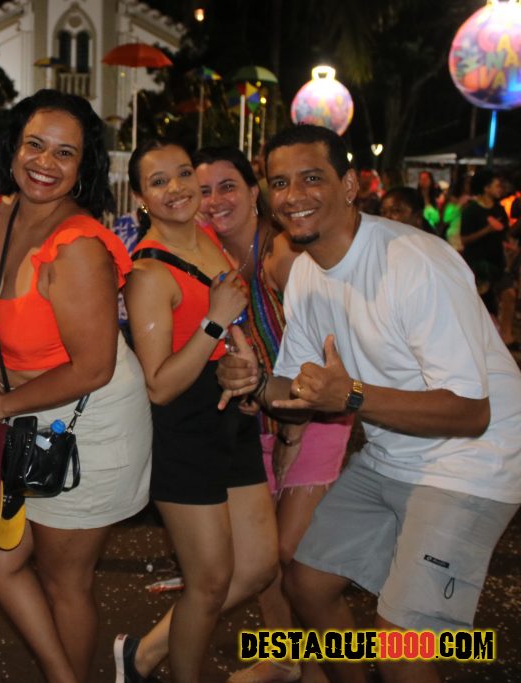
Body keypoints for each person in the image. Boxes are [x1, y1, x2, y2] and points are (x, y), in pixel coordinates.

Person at [218, 124, 521, 683]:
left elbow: (471, 412)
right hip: (391, 455)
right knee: (307, 583)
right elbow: (295, 389)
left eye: (312, 178)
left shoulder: (413, 263)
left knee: (400, 645)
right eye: (280, 183)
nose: (294, 195)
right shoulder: (306, 275)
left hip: (474, 459)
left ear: (350, 185)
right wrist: (254, 383)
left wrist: (353, 395)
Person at [0, 89, 152, 683]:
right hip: (23, 414)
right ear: (13, 148)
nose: (45, 162)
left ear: (83, 167)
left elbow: (93, 368)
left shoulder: (80, 247)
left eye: (65, 153)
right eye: (35, 145)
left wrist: (1, 403)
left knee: (64, 579)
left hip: (87, 421)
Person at [115, 139, 277, 683]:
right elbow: (159, 386)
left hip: (231, 417)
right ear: (141, 196)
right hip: (182, 432)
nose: (177, 189)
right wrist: (214, 322)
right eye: (158, 181)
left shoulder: (207, 237)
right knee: (207, 582)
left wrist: (244, 363)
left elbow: (231, 328)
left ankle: (139, 657)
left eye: (183, 174)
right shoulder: (148, 273)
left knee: (256, 566)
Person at [195, 146, 352, 683]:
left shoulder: (280, 253)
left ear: (252, 191)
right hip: (258, 418)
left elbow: (320, 347)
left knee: (293, 553)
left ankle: (331, 668)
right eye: (204, 191)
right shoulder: (212, 258)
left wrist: (291, 433)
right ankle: (287, 659)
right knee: (264, 558)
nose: (215, 200)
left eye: (227, 186)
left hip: (315, 415)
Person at [460, 169, 516, 350]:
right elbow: (464, 239)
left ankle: (507, 337)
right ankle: (479, 341)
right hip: (478, 265)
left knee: (509, 294)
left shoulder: (499, 209)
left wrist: (509, 246)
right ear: (486, 188)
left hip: (497, 263)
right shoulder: (471, 210)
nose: (500, 189)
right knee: (481, 304)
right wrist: (487, 230)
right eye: (496, 185)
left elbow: (504, 234)